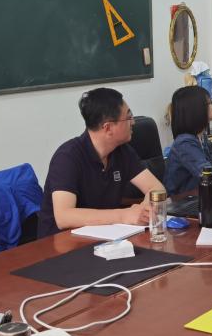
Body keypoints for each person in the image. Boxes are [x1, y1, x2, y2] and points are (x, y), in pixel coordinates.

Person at [37, 87, 165, 237]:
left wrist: (145, 210)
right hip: (61, 242)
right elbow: (64, 217)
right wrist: (124, 215)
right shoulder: (67, 157)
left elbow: (156, 188)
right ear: (108, 128)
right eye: (128, 117)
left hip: (104, 237)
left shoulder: (122, 151)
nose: (133, 122)